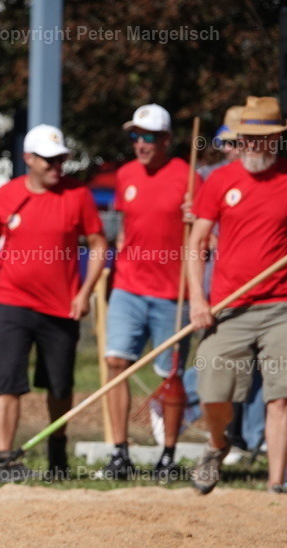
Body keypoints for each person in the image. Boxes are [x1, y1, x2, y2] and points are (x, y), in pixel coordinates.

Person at [0, 124, 107, 480]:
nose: (57, 165)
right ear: (29, 159)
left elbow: (98, 245)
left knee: (59, 385)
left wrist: (86, 293)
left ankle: (57, 456)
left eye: (61, 159)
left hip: (62, 306)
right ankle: (4, 458)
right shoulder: (7, 194)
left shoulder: (78, 195)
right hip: (11, 302)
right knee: (5, 381)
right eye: (49, 160)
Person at [187, 96, 287, 495]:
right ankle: (216, 445)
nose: (252, 145)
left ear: (276, 140)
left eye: (261, 138)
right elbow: (197, 244)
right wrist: (198, 299)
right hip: (228, 305)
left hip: (281, 305)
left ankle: (278, 484)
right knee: (211, 392)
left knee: (280, 397)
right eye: (246, 137)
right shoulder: (219, 181)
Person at [97, 104, 200, 480]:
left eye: (149, 137)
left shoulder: (188, 178)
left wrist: (195, 216)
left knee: (170, 377)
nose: (141, 144)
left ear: (167, 140)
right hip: (128, 286)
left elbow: (207, 235)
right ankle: (119, 453)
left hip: (173, 293)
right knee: (115, 364)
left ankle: (168, 455)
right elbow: (125, 227)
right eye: (135, 136)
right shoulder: (125, 175)